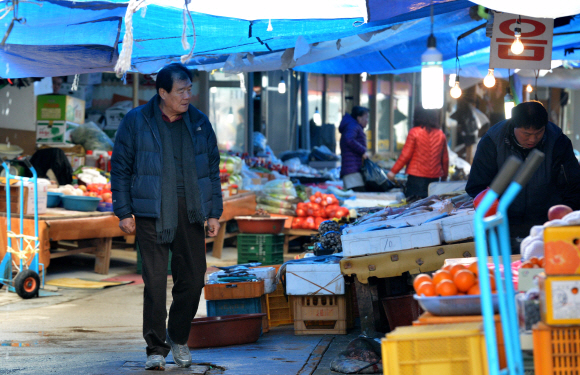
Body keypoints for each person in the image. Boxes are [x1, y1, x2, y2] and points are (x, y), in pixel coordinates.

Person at [111, 63, 223, 371]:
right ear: (162, 93)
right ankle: (155, 348)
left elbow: (212, 170)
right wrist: (123, 210)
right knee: (156, 282)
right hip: (151, 213)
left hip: (190, 213)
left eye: (190, 90)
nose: (188, 96)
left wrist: (214, 212)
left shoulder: (199, 122)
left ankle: (178, 335)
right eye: (181, 91)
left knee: (193, 278)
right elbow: (120, 167)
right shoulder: (137, 121)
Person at [466, 101, 580, 252]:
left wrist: (564, 222)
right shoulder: (492, 142)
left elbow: (574, 186)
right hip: (502, 229)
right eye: (526, 134)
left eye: (539, 132)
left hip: (546, 230)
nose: (532, 139)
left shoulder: (559, 142)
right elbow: (476, 187)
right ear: (514, 126)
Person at [387, 107, 449, 199]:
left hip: (416, 178)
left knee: (414, 206)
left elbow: (405, 155)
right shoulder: (441, 135)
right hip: (434, 178)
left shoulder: (414, 132)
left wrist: (393, 172)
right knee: (431, 205)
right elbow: (445, 159)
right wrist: (445, 176)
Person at [339, 106, 370, 192]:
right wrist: (363, 151)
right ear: (359, 118)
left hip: (352, 168)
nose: (367, 121)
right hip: (352, 170)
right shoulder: (353, 126)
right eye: (366, 118)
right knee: (357, 195)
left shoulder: (353, 125)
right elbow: (349, 139)